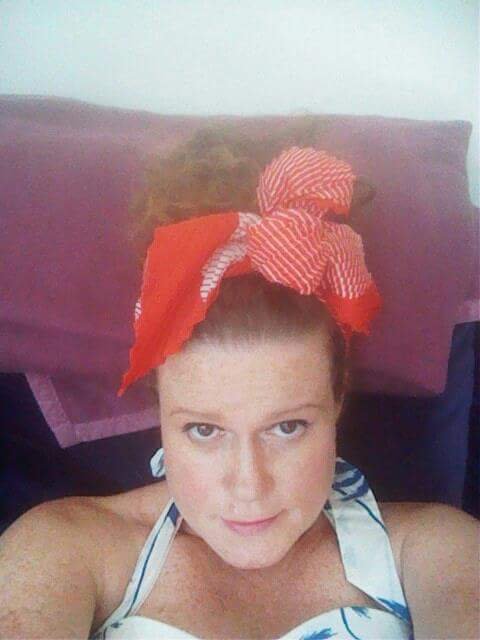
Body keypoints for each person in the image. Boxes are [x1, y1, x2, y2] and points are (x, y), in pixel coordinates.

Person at [0, 132, 478, 640]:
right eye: (204, 430)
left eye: (287, 427)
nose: (249, 486)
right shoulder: (67, 550)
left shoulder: (435, 551)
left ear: (337, 399)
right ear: (160, 409)